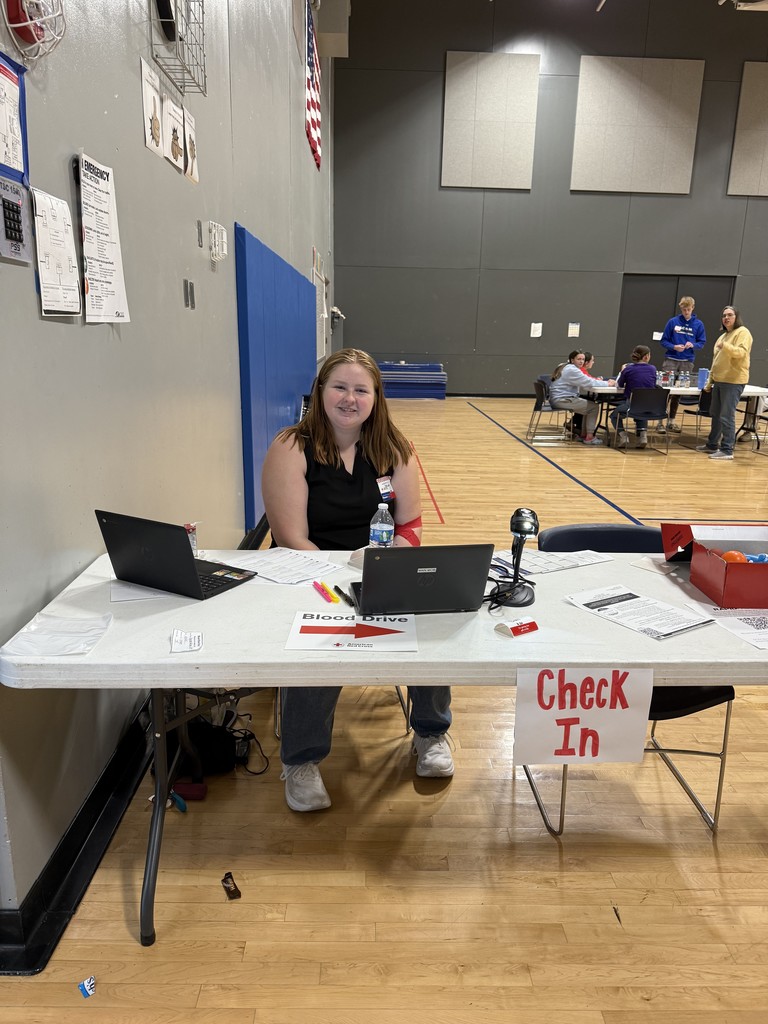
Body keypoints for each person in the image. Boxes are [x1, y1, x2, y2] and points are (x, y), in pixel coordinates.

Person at [261, 348, 454, 812]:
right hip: (310, 568)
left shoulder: (394, 448)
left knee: (431, 622)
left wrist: (395, 565)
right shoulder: (291, 446)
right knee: (321, 634)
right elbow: (290, 539)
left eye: (360, 390)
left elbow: (410, 526)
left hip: (378, 566)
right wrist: (346, 575)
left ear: (375, 397)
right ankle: (301, 760)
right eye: (340, 387)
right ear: (321, 391)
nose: (350, 398)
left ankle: (431, 733)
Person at [696, 306, 752, 461]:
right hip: (720, 381)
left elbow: (741, 353)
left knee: (727, 416)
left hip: (733, 381)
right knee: (716, 414)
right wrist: (710, 382)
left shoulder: (743, 332)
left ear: (736, 317)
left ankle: (727, 450)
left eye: (730, 315)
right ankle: (712, 444)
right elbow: (716, 362)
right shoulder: (722, 337)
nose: (726, 318)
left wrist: (725, 346)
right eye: (724, 315)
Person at [657, 296, 706, 433]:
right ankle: (660, 421)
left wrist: (693, 344)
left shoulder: (698, 324)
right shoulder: (672, 322)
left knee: (678, 393)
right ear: (681, 309)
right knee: (665, 391)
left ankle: (671, 421)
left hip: (687, 362)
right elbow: (663, 341)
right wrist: (673, 346)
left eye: (688, 310)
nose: (686, 312)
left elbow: (702, 343)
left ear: (693, 308)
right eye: (684, 310)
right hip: (671, 360)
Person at [548, 350, 616, 445]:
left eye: (583, 359)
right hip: (562, 400)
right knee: (594, 407)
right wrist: (608, 384)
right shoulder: (572, 370)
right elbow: (589, 382)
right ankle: (589, 437)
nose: (581, 362)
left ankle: (584, 435)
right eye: (578, 359)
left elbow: (586, 382)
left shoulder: (564, 366)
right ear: (572, 360)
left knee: (589, 406)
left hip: (558, 398)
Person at [610, 345, 658, 448]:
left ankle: (623, 436)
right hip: (649, 406)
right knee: (641, 410)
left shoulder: (628, 369)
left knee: (614, 415)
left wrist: (623, 371)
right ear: (646, 357)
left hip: (631, 404)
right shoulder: (653, 369)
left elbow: (619, 385)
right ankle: (643, 436)